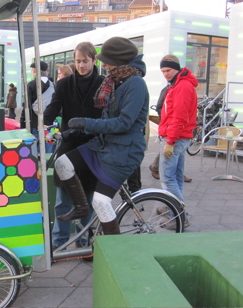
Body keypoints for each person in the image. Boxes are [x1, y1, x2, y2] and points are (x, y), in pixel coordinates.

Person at [53, 37, 149, 236]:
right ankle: (81, 208)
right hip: (104, 144)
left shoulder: (136, 84)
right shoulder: (114, 80)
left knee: (101, 201)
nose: (103, 63)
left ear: (119, 60)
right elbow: (106, 117)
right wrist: (77, 130)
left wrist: (86, 123)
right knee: (62, 164)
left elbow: (124, 123)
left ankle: (113, 247)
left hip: (124, 152)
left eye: (106, 59)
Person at [44, 42, 104, 249]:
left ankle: (83, 240)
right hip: (69, 146)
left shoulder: (104, 83)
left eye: (85, 61)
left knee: (87, 199)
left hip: (93, 147)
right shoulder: (64, 84)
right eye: (78, 61)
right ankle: (58, 242)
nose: (81, 66)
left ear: (94, 60)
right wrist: (47, 129)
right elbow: (51, 110)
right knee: (63, 198)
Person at [157, 54, 197, 220]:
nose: (165, 74)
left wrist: (170, 141)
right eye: (163, 71)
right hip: (180, 137)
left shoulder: (181, 86)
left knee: (168, 179)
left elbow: (179, 117)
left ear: (177, 68)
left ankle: (180, 216)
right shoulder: (180, 84)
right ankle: (172, 208)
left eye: (168, 70)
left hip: (175, 138)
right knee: (177, 177)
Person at [149, 83, 192, 183]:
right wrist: (165, 119)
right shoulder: (169, 89)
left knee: (172, 150)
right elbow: (160, 106)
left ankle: (177, 173)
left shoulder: (183, 88)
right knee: (168, 148)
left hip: (179, 128)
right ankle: (157, 168)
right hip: (170, 126)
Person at [21, 61, 55, 153]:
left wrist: (22, 124)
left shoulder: (31, 85)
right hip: (50, 125)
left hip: (34, 124)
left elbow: (27, 106)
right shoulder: (53, 85)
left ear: (35, 71)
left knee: (33, 151)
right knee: (48, 148)